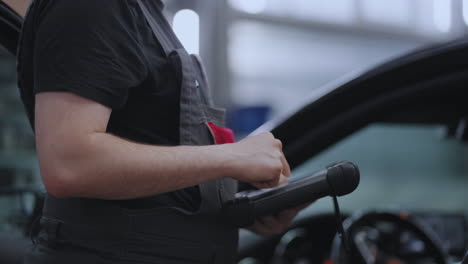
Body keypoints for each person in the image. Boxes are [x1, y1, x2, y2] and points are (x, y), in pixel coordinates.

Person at [17, 0, 308, 263]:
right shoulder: (97, 7)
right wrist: (230, 157)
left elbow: (154, 169)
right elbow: (69, 164)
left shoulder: (147, 13)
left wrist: (236, 209)